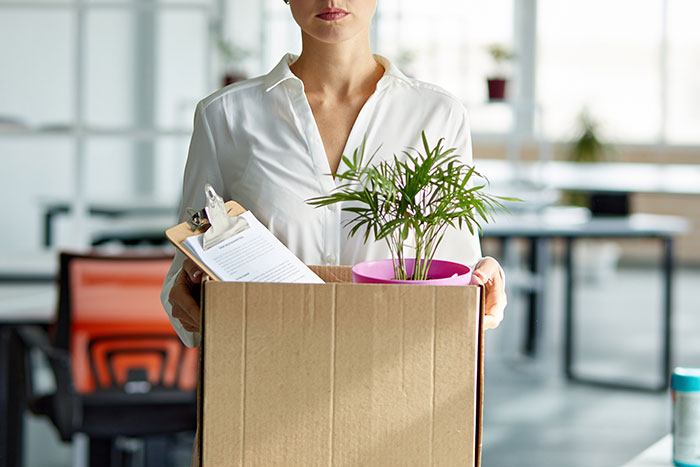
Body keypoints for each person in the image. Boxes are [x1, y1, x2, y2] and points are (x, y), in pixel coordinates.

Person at [161, 0, 507, 349]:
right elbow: (189, 258)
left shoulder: (437, 115)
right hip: (267, 368)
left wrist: (486, 275)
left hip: (392, 368)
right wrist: (188, 287)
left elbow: (458, 271)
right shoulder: (225, 116)